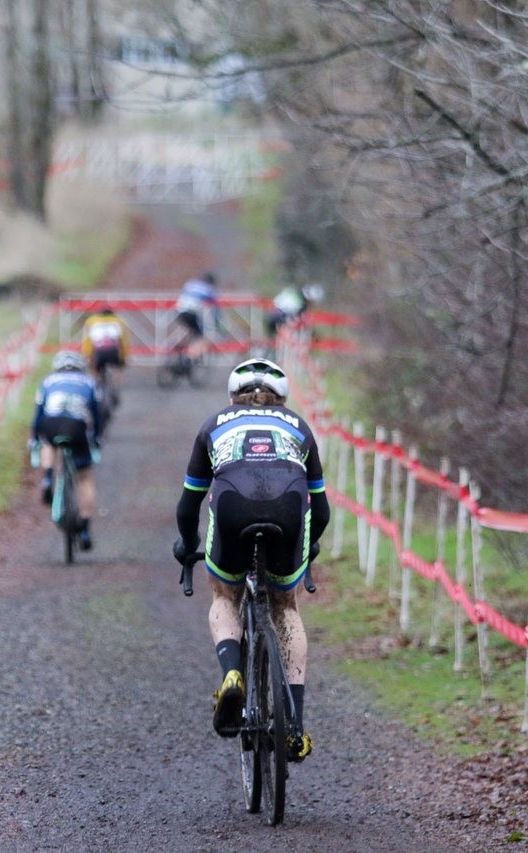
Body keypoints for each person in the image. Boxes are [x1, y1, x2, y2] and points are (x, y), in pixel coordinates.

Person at [172, 357, 330, 762]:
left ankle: (231, 673)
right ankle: (294, 727)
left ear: (232, 396)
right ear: (282, 398)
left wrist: (188, 544)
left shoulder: (214, 424)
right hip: (288, 509)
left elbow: (189, 504)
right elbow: (322, 508)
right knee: (285, 605)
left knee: (225, 595)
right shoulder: (298, 426)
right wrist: (307, 547)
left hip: (233, 508)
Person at [32, 350, 104, 550]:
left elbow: (38, 414)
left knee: (47, 442)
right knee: (85, 477)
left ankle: (48, 477)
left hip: (51, 424)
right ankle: (85, 528)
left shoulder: (48, 382)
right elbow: (96, 415)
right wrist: (96, 439)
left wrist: (34, 438)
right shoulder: (89, 382)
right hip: (76, 427)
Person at [80, 305, 129, 408]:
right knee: (118, 368)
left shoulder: (92, 321)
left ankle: (95, 387)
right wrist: (124, 357)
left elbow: (88, 342)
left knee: (93, 370)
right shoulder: (118, 321)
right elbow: (123, 341)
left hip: (99, 352)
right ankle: (115, 387)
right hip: (114, 351)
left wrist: (87, 356)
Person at [172, 271, 220, 361]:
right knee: (201, 336)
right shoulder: (209, 289)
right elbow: (215, 308)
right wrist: (217, 322)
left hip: (179, 312)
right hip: (192, 313)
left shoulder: (190, 283)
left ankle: (178, 348)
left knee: (190, 331)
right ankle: (190, 356)